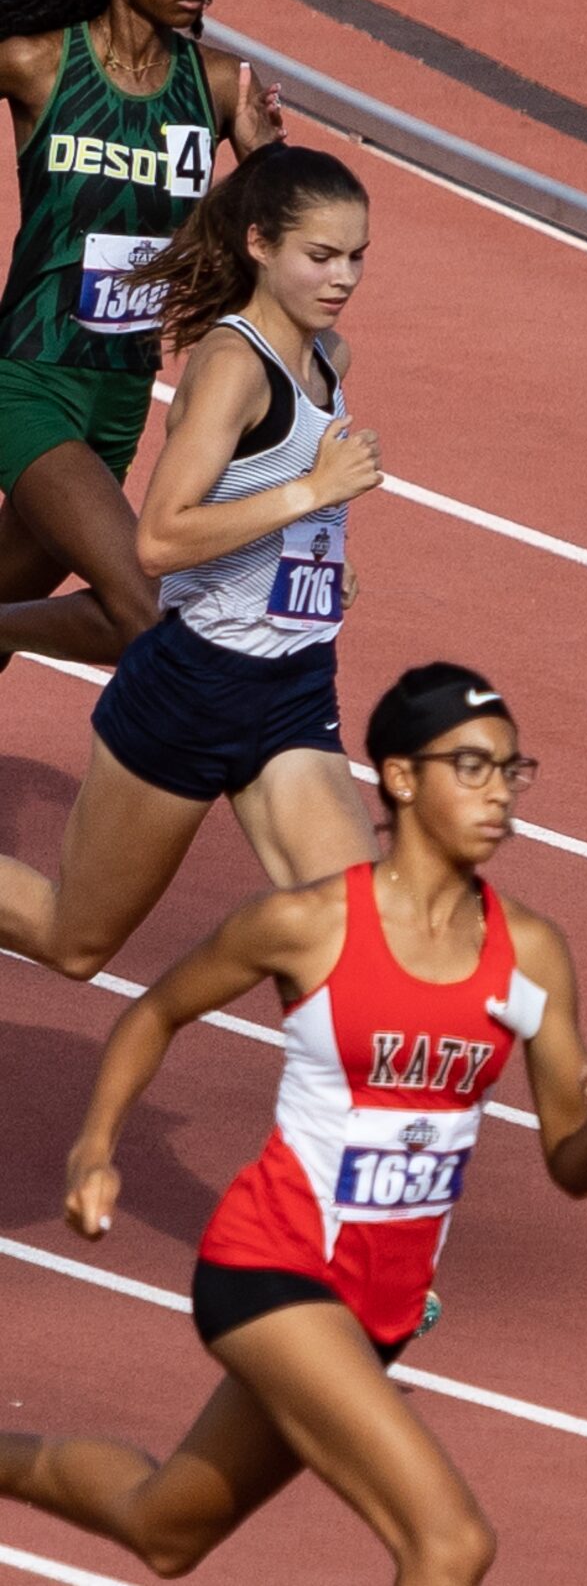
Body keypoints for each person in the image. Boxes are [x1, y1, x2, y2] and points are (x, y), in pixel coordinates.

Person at [0, 666, 587, 1584]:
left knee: (166, 1528)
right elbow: (155, 1012)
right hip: (273, 1267)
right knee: (449, 1544)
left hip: (382, 1305)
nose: (499, 793)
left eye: (512, 770)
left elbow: (572, 1166)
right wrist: (94, 1149)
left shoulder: (531, 955)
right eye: (472, 768)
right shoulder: (309, 926)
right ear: (402, 780)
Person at [0, 146, 381, 982]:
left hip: (292, 684)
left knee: (360, 940)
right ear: (259, 245)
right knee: (76, 941)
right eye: (321, 256)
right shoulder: (232, 366)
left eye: (356, 256)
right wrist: (309, 496)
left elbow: (269, 501)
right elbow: (161, 541)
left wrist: (318, 563)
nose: (342, 276)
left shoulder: (329, 360)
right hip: (196, 685)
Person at [0, 0, 284, 666]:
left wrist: (275, 162)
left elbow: (285, 226)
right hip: (28, 376)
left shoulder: (223, 86)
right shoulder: (40, 63)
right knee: (147, 612)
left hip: (121, 395)